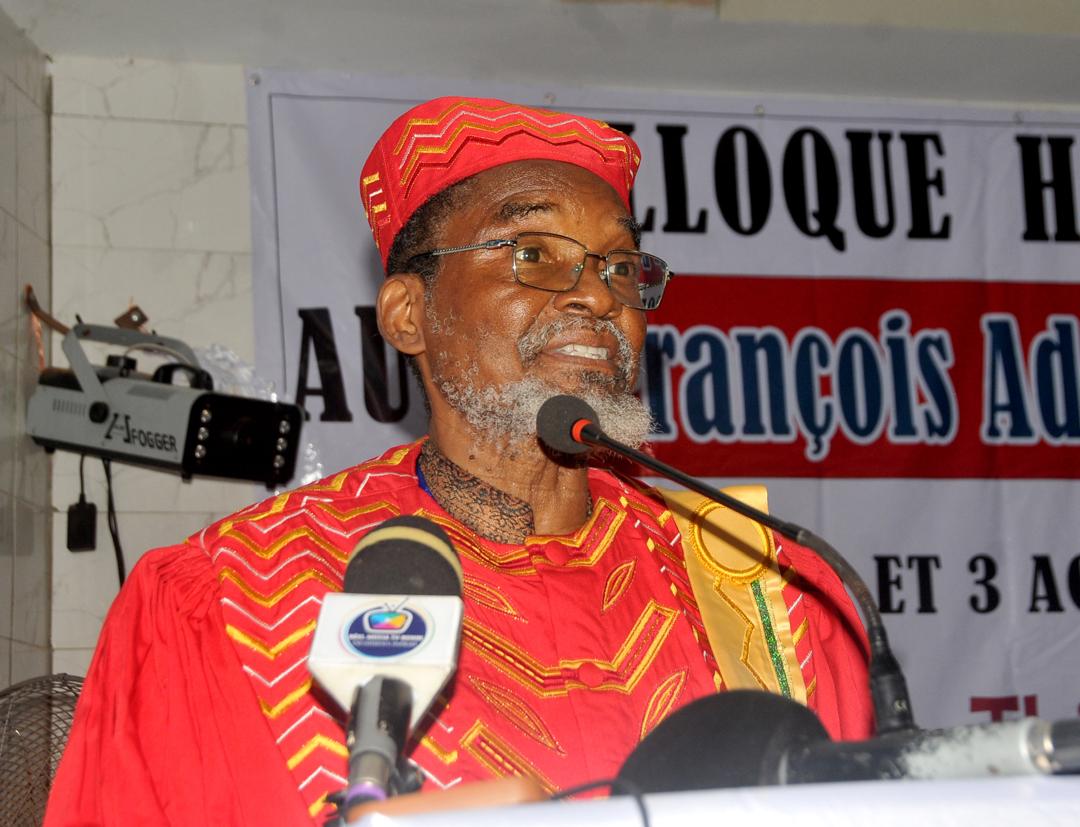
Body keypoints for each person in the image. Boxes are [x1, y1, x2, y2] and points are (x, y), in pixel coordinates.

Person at [45, 96, 871, 826]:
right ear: (409, 314)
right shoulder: (223, 600)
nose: (598, 295)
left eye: (621, 266)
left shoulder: (774, 590)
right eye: (533, 253)